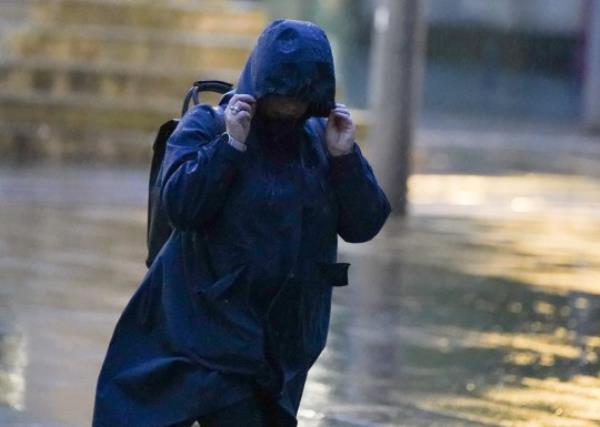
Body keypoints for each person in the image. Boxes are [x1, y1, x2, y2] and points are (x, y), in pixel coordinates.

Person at [92, 19, 391, 427]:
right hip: (202, 334)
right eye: (279, 97)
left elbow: (365, 223)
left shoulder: (323, 139)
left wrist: (345, 158)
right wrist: (230, 145)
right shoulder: (207, 125)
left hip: (282, 346)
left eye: (299, 100)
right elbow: (181, 206)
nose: (288, 108)